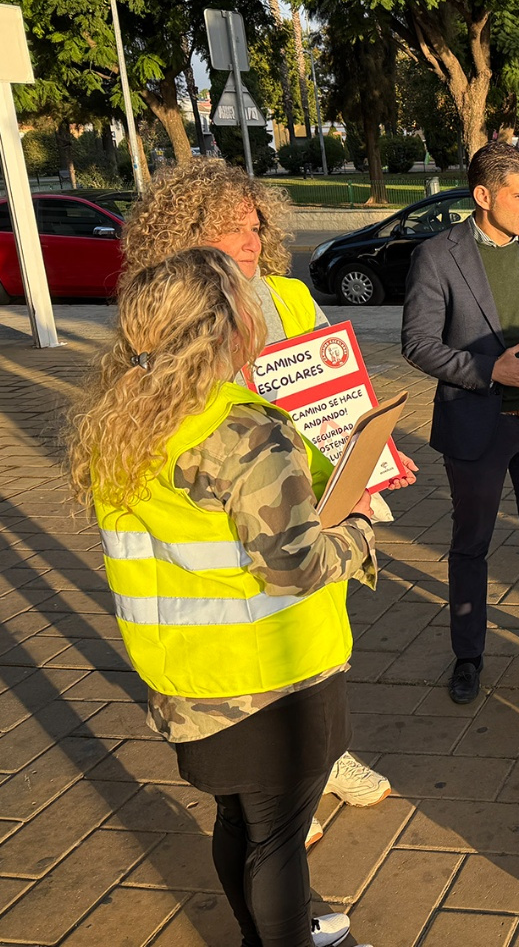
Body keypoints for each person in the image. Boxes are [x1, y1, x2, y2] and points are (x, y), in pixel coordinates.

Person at [66, 248, 406, 947]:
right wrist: (362, 530)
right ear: (224, 326)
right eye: (245, 297)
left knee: (238, 820)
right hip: (273, 678)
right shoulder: (244, 430)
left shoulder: (121, 419)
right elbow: (295, 564)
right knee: (278, 839)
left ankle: (264, 934)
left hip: (187, 677)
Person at [119, 157, 406, 847]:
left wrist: (371, 453)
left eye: (255, 226)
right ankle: (280, 783)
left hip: (306, 494)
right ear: (182, 241)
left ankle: (323, 757)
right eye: (229, 232)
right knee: (253, 632)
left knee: (319, 624)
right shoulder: (170, 312)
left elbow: (338, 397)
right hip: (225, 503)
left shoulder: (289, 297)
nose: (250, 242)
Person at [402, 141, 519, 706]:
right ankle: (468, 654)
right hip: (476, 428)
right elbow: (418, 343)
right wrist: (491, 371)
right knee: (471, 543)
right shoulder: (438, 256)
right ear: (484, 196)